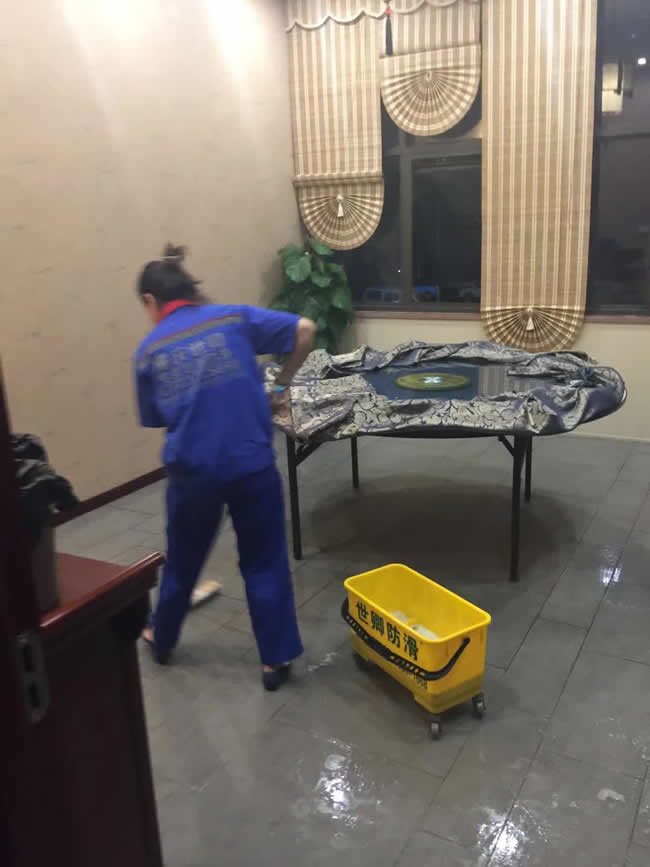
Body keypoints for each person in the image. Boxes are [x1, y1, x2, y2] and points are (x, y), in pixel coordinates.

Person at [134, 244, 315, 691]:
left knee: (182, 560)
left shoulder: (148, 351)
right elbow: (305, 330)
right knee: (264, 558)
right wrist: (280, 387)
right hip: (251, 463)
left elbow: (156, 417)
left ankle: (162, 638)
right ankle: (275, 661)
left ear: (151, 301)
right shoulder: (233, 318)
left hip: (192, 473)